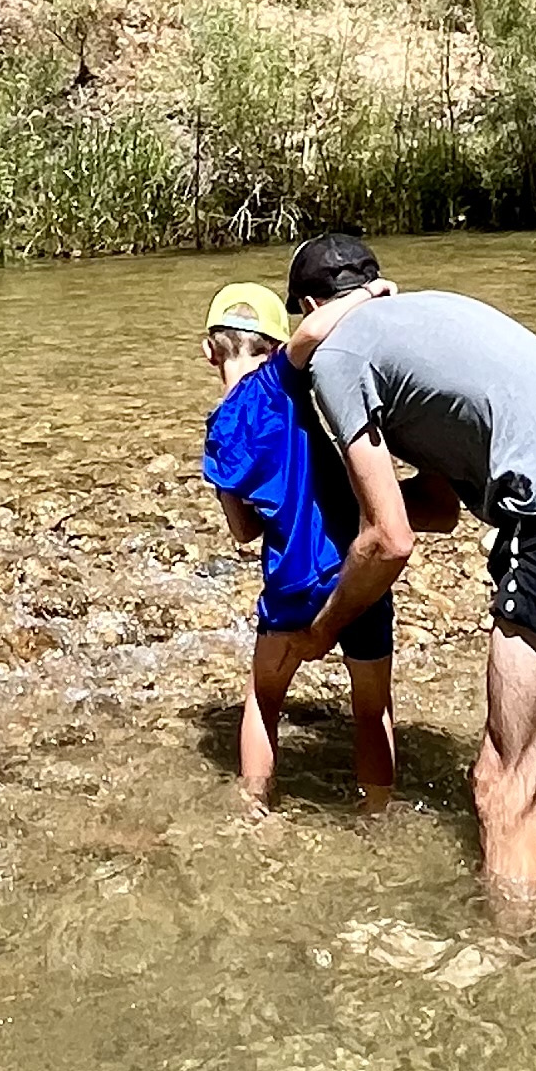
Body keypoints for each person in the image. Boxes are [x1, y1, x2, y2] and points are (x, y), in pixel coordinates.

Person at [276, 231, 536, 908]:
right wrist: (329, 509)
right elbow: (438, 508)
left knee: (502, 788)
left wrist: (321, 630)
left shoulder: (337, 356)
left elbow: (390, 540)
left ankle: (513, 957)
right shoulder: (433, 315)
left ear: (312, 308)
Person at [197, 280, 398, 813]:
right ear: (274, 348)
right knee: (372, 708)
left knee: (263, 700)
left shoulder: (218, 431)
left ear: (209, 351)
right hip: (357, 568)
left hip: (291, 576)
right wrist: (369, 292)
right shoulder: (277, 382)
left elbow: (243, 530)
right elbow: (312, 332)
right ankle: (377, 813)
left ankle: (255, 810)